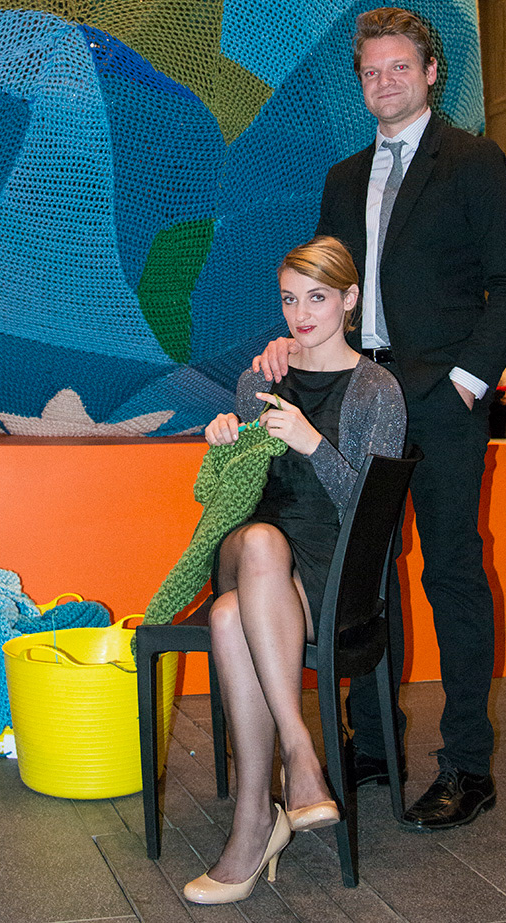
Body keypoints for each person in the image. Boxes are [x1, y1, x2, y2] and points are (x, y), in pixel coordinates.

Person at [256, 8, 506, 832]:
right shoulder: (344, 177)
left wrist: (465, 383)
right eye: (372, 71)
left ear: (430, 72)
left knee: (450, 572)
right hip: (358, 394)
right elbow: (325, 285)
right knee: (365, 578)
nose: (384, 82)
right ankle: (373, 745)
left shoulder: (473, 161)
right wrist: (292, 341)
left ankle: (468, 765)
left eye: (399, 67)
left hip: (442, 404)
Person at [182, 237, 405, 906]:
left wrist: (313, 443)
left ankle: (255, 821)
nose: (301, 315)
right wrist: (224, 437)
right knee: (257, 543)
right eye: (288, 299)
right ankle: (302, 752)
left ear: (349, 299)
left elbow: (375, 520)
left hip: (330, 572)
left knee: (229, 619)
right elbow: (232, 491)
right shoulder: (262, 377)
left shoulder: (378, 390)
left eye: (317, 297)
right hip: (251, 552)